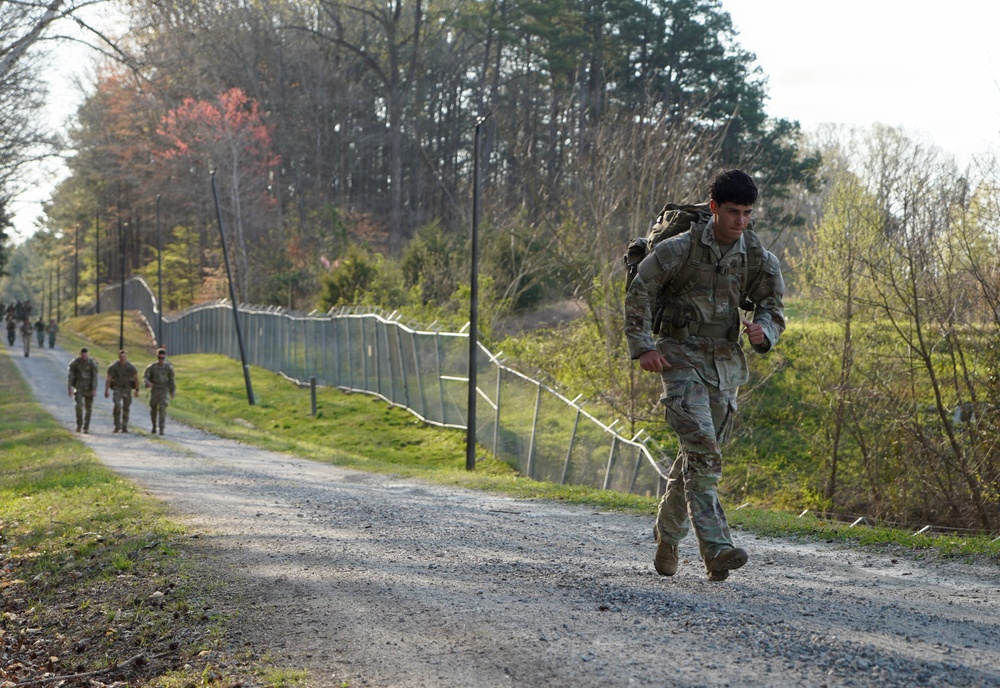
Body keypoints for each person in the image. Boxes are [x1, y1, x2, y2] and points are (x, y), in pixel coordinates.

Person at [624, 169, 785, 582]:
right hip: (677, 359)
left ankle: (667, 537)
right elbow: (640, 290)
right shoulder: (680, 249)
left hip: (726, 366)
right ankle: (717, 549)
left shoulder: (756, 255)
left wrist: (763, 331)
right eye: (733, 212)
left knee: (693, 460)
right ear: (714, 208)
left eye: (748, 213)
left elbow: (773, 307)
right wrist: (643, 346)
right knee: (705, 456)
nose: (741, 221)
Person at [105, 349, 140, 433]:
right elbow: (108, 379)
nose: (122, 358)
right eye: (121, 357)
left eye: (124, 357)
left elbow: (136, 379)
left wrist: (137, 390)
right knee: (117, 405)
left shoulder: (131, 367)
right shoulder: (113, 367)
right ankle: (117, 425)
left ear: (126, 357)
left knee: (126, 408)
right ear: (118, 357)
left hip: (127, 389)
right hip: (117, 389)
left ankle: (124, 426)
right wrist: (106, 390)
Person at [144, 348, 175, 435]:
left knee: (162, 408)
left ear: (165, 357)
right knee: (153, 407)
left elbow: (172, 380)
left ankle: (161, 428)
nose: (161, 360)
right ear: (157, 357)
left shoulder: (168, 367)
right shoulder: (152, 367)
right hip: (155, 389)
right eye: (159, 358)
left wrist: (172, 391)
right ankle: (154, 426)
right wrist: (148, 383)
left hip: (164, 389)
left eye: (162, 358)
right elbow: (145, 377)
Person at [68, 347, 100, 433]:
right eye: (82, 355)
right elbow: (70, 376)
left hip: (89, 388)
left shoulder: (92, 364)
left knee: (88, 408)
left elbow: (95, 377)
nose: (84, 357)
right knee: (79, 406)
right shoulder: (75, 363)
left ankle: (86, 427)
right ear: (80, 354)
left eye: (85, 355)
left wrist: (94, 389)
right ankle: (79, 424)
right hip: (79, 387)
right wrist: (70, 387)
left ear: (88, 355)